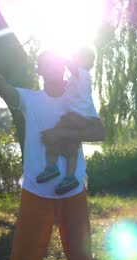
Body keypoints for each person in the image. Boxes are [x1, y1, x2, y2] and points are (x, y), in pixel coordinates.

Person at [0, 50, 105, 260]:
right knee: (23, 258)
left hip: (72, 191)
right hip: (36, 190)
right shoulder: (30, 99)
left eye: (58, 63)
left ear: (64, 67)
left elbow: (99, 133)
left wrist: (61, 134)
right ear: (39, 70)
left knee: (81, 258)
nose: (54, 67)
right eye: (48, 64)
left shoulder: (77, 97)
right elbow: (5, 90)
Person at [37, 47, 99, 195]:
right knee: (72, 147)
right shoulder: (78, 78)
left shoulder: (82, 74)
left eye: (76, 57)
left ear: (84, 61)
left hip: (75, 116)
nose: (73, 60)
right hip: (80, 117)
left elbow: (72, 67)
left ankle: (51, 167)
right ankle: (70, 177)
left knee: (51, 136)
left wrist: (61, 58)